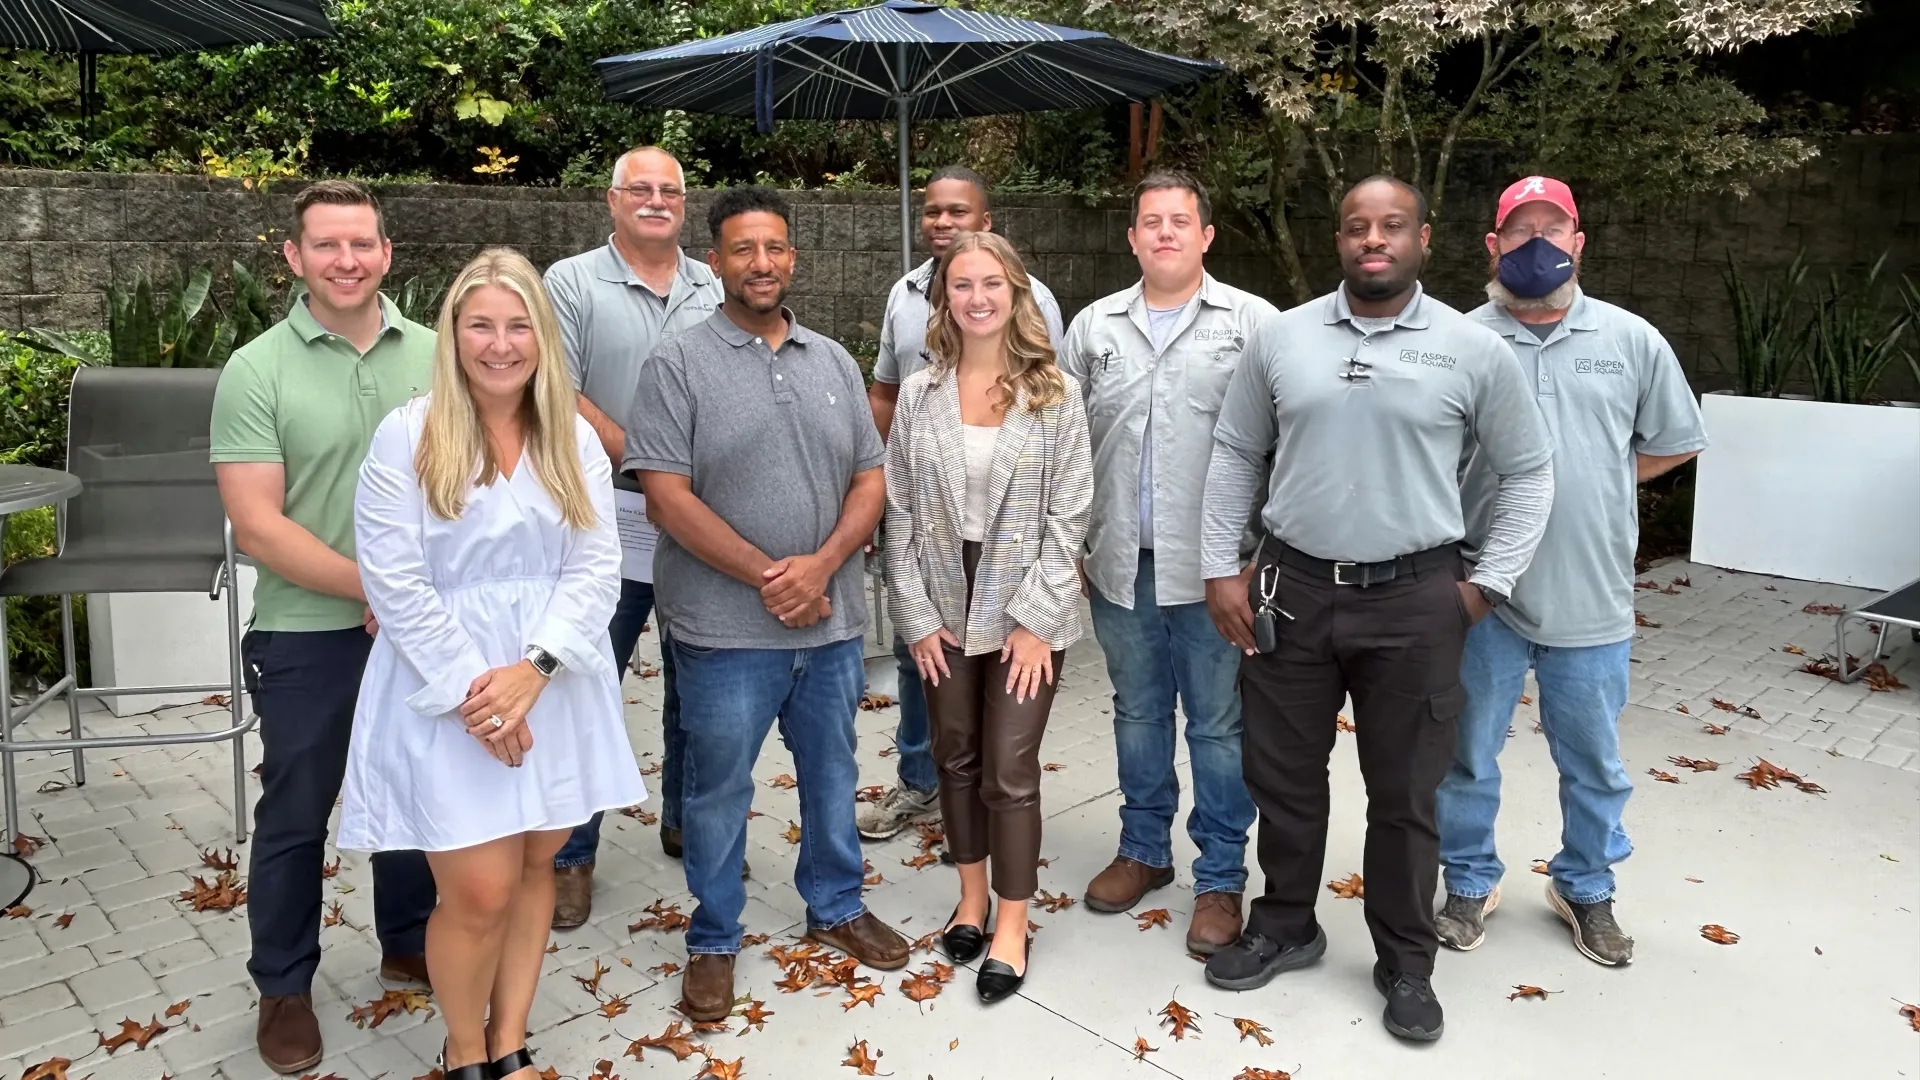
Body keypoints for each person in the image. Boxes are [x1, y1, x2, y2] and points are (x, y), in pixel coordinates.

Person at [1197, 176, 1556, 1043]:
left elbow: (1530, 471)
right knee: (1283, 777)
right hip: (1292, 590)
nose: (1373, 239)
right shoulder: (1283, 339)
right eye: (1357, 225)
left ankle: (1405, 958)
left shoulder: (1472, 350)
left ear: (1423, 238)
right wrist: (1219, 568)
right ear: (1339, 240)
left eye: (1391, 226)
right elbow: (1238, 451)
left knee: (1404, 792)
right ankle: (1287, 925)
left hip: (1416, 598)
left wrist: (1487, 584)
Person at [339, 248, 645, 1080]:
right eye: (481, 324)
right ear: (453, 333)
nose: (500, 344)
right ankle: (463, 1049)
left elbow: (594, 565)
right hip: (448, 688)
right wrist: (482, 695)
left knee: (537, 862)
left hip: (552, 681)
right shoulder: (409, 433)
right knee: (477, 888)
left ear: (542, 337)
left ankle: (509, 1040)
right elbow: (393, 581)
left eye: (518, 326)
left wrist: (533, 673)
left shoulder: (570, 435)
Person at [628, 186, 912, 1021]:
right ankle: (715, 938)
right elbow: (665, 498)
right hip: (723, 631)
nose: (762, 263)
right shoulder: (677, 364)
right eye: (744, 249)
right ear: (713, 261)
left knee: (833, 772)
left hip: (829, 625)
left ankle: (837, 905)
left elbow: (871, 476)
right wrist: (769, 577)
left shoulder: (829, 359)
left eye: (776, 248)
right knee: (718, 789)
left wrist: (820, 568)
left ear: (793, 257)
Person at [1434, 176, 1707, 966]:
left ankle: (1585, 887)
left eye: (1553, 232)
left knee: (1591, 757)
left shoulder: (1631, 339)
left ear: (1579, 242)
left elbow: (1671, 440)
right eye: (1520, 234)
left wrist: (1596, 482)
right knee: (1467, 750)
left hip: (1591, 593)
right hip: (1483, 593)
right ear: (1493, 245)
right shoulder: (1459, 340)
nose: (1537, 247)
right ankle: (1469, 879)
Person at [212, 179, 438, 1076]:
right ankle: (284, 984)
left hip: (421, 626)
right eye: (327, 245)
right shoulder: (255, 369)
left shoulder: (438, 352)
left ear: (386, 253)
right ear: (295, 258)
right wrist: (371, 589)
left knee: (419, 798)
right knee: (298, 814)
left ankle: (408, 939)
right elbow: (259, 524)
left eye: (362, 244)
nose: (347, 260)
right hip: (308, 628)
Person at [1058, 169, 1274, 956]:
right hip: (1121, 565)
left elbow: (1286, 448)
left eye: (1181, 220)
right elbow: (1066, 446)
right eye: (1151, 221)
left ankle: (1220, 877)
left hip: (1217, 571)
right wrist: (1072, 542)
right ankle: (1144, 851)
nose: (1166, 234)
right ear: (1133, 237)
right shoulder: (1093, 329)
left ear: (1207, 235)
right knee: (1138, 712)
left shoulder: (1253, 325)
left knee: (1217, 726)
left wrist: (1259, 558)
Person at [885, 231, 1093, 1002]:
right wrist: (913, 613)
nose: (976, 298)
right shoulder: (920, 393)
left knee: (1008, 767)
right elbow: (898, 511)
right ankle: (969, 898)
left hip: (1023, 604)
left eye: (991, 285)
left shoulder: (1055, 394)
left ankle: (1011, 921)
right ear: (944, 299)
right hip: (942, 597)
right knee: (956, 757)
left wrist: (1038, 621)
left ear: (1017, 294)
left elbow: (1071, 519)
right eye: (961, 285)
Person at [540, 145, 727, 926]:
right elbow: (557, 390)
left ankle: (685, 819)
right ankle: (570, 854)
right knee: (588, 685)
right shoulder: (570, 282)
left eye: (670, 191)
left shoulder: (710, 284)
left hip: (693, 523)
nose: (656, 200)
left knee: (699, 684)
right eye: (639, 189)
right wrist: (651, 463)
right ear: (612, 201)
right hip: (604, 517)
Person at [859, 166, 1066, 844]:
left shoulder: (1038, 327)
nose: (943, 222)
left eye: (959, 211)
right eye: (933, 211)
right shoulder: (904, 299)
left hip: (1011, 558)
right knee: (940, 705)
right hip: (933, 537)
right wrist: (876, 497)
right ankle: (928, 793)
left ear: (988, 219)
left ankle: (989, 842)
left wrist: (1044, 605)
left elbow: (1052, 449)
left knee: (1002, 746)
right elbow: (887, 397)